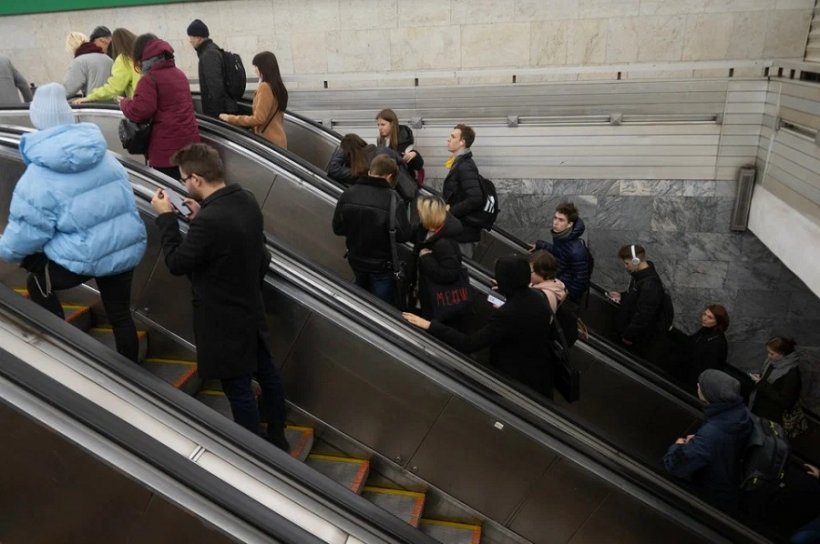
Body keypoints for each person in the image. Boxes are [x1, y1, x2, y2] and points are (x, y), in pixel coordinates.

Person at [150, 143, 288, 451]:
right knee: (267, 372)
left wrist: (166, 219)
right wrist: (200, 216)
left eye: (184, 179)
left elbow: (177, 262)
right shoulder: (245, 200)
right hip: (251, 306)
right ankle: (278, 436)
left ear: (197, 179)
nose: (184, 184)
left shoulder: (211, 222)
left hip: (223, 318)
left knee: (237, 386)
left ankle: (253, 451)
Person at [0, 83, 147, 362]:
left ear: (37, 120)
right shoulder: (107, 158)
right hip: (124, 249)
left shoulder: (38, 177)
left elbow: (22, 239)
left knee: (37, 282)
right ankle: (133, 374)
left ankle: (64, 350)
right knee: (120, 314)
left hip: (85, 257)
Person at [403, 255, 554, 397]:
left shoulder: (508, 314)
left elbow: (469, 344)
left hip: (512, 378)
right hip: (539, 373)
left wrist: (431, 325)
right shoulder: (538, 297)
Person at [663, 369, 753, 514]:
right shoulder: (741, 413)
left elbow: (676, 466)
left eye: (701, 385)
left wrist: (678, 445)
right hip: (733, 484)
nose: (698, 386)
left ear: (710, 394)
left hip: (715, 496)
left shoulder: (712, 434)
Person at [332, 154, 412, 305]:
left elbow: (337, 228)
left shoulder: (348, 193)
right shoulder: (393, 199)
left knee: (358, 300)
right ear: (389, 176)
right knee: (381, 307)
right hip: (381, 267)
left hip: (355, 260)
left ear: (370, 171)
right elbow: (404, 235)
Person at [119, 34, 200, 180]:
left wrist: (124, 103)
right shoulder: (179, 74)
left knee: (169, 193)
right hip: (190, 144)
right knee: (188, 190)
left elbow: (140, 110)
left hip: (166, 150)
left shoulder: (150, 79)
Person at [411, 195, 466, 321]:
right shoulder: (426, 229)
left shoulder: (444, 244)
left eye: (420, 212)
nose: (418, 214)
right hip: (422, 289)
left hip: (434, 300)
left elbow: (450, 274)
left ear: (429, 216)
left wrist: (426, 258)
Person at [220, 51, 287, 148]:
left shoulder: (265, 87)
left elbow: (259, 119)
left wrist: (230, 118)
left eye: (256, 66)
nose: (255, 70)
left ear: (263, 68)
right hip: (278, 139)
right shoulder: (277, 86)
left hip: (269, 142)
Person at [607, 244, 668, 349]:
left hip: (635, 340)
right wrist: (622, 295)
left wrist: (628, 336)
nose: (625, 267)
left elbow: (643, 315)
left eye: (627, 263)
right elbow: (636, 296)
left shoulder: (650, 285)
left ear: (636, 261)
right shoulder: (640, 277)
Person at [529, 202, 590, 303]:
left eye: (561, 220)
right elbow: (559, 252)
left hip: (564, 292)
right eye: (555, 218)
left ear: (569, 224)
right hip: (557, 282)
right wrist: (540, 245)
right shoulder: (562, 237)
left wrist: (566, 297)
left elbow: (580, 281)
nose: (555, 222)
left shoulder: (576, 250)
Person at [442, 124, 484, 259]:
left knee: (462, 270)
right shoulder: (459, 163)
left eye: (453, 136)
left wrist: (450, 211)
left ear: (462, 142)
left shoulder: (465, 166)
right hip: (461, 230)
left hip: (464, 233)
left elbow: (476, 198)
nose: (448, 139)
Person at [669, 304, 730, 388]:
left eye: (710, 317)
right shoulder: (706, 330)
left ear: (718, 322)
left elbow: (705, 370)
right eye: (704, 314)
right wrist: (672, 330)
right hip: (687, 373)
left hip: (693, 383)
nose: (704, 318)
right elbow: (691, 343)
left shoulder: (718, 344)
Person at [186, 19, 238, 118]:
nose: (190, 40)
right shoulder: (212, 50)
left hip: (220, 112)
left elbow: (215, 88)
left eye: (191, 37)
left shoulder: (209, 54)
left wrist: (217, 117)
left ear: (199, 38)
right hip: (225, 108)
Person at [74, 28, 140, 104]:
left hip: (141, 107)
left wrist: (91, 97)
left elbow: (114, 88)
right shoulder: (144, 57)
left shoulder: (125, 60)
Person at [749, 337, 802, 427]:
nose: (769, 356)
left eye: (772, 353)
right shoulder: (772, 361)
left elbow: (785, 401)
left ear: (782, 354)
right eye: (768, 352)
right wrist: (760, 377)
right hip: (760, 404)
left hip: (772, 414)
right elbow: (766, 376)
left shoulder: (791, 374)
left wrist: (762, 383)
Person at [327, 133, 402, 187]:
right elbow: (400, 158)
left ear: (349, 153)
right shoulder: (376, 150)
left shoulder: (358, 170)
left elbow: (333, 169)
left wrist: (343, 149)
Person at [63, 27, 113, 98]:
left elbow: (68, 90)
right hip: (113, 106)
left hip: (92, 106)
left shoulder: (79, 61)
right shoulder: (110, 60)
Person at [376, 108, 424, 182]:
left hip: (403, 183)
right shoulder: (381, 141)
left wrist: (414, 155)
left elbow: (418, 165)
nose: (379, 128)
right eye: (378, 125)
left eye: (383, 124)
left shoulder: (403, 140)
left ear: (392, 124)